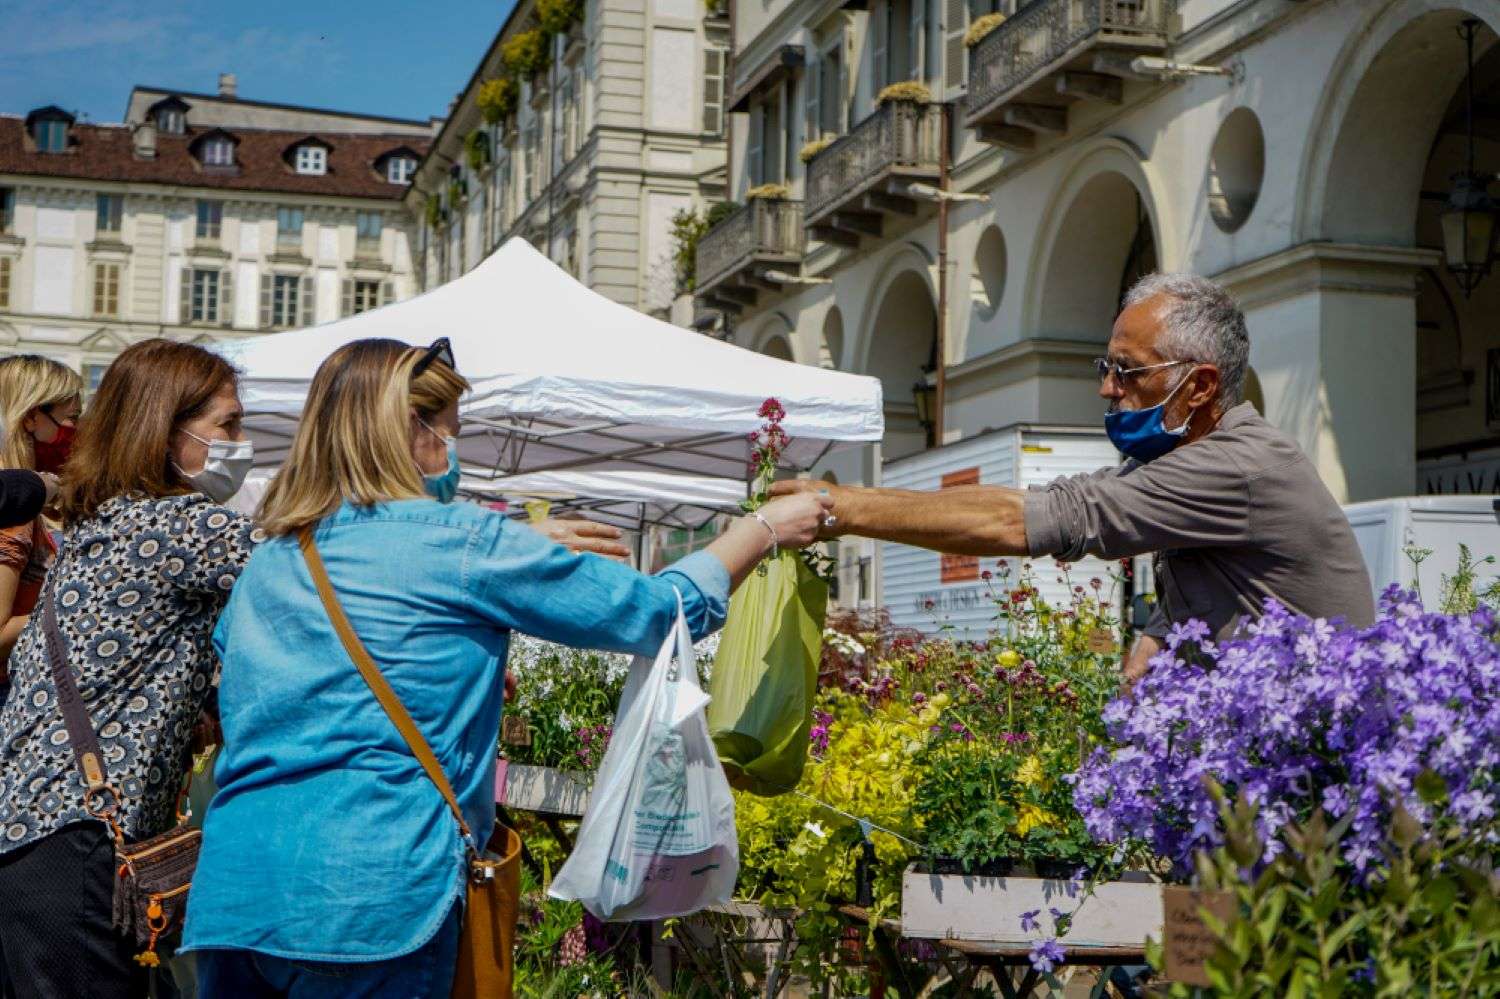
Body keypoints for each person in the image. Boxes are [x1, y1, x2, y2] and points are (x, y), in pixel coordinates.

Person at [181, 337, 831, 997]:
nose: (455, 454)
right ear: (412, 430)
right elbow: (659, 613)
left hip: (236, 893)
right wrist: (765, 528)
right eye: (452, 433)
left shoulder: (270, 560)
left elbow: (274, 691)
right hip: (371, 895)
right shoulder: (461, 540)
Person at [774, 273, 1374, 683]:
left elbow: (1028, 518)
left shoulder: (1236, 466)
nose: (1107, 388)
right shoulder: (1196, 464)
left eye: (1128, 370)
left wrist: (839, 507)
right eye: (1106, 366)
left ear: (1201, 386)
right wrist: (1156, 639)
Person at [0, 340, 259, 998]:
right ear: (163, 428)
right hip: (82, 847)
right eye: (227, 424)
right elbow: (321, 566)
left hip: (39, 842)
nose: (242, 440)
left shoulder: (100, 520)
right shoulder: (177, 526)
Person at [0, 356, 83, 679]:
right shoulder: (15, 509)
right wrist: (78, 604)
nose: (75, 430)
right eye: (71, 417)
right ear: (32, 417)